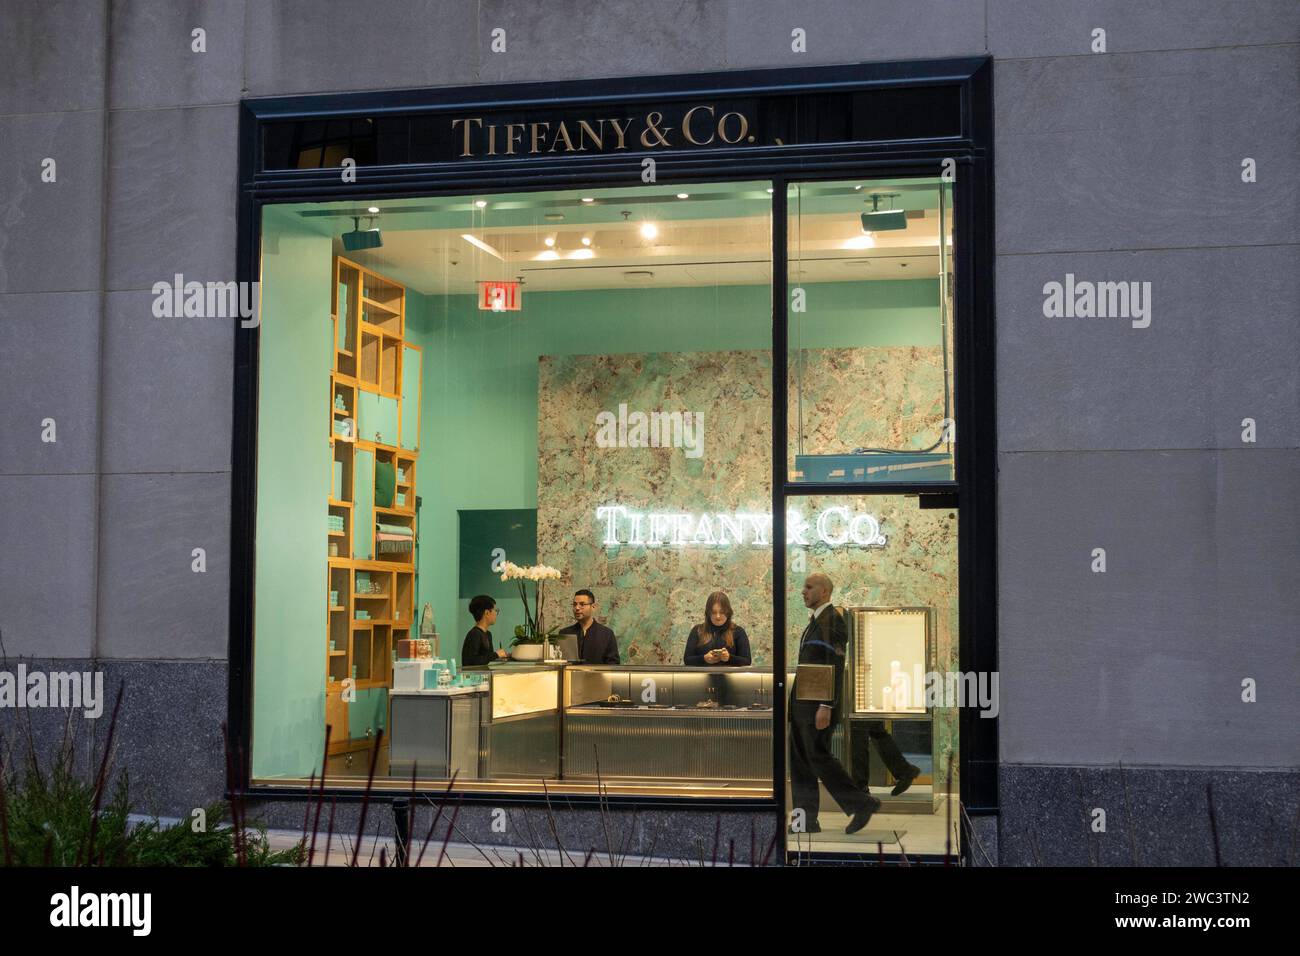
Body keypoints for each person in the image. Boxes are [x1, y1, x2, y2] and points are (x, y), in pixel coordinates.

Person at [788, 572, 880, 835]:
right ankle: (805, 821)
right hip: (804, 704)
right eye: (803, 587)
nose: (803, 591)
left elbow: (835, 666)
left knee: (817, 757)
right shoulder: (816, 622)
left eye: (809, 587)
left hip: (817, 706)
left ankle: (861, 803)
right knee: (801, 762)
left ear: (825, 592)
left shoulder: (833, 621)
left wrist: (826, 706)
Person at [683, 591, 752, 666]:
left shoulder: (738, 631)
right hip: (702, 677)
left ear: (728, 612)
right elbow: (687, 660)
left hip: (730, 677)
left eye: (722, 612)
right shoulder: (697, 630)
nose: (718, 616)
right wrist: (704, 658)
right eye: (714, 612)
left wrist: (729, 658)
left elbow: (747, 661)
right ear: (708, 613)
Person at [558, 589, 620, 664]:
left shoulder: (606, 634)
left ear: (593, 607)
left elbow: (613, 664)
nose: (577, 608)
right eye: (575, 604)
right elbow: (560, 663)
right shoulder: (565, 634)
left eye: (582, 604)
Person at [461, 594, 507, 666]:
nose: (496, 614)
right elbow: (470, 661)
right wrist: (496, 654)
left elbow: (487, 659)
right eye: (495, 610)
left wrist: (502, 656)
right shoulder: (474, 634)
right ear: (487, 613)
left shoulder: (488, 634)